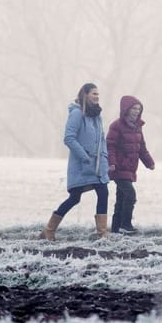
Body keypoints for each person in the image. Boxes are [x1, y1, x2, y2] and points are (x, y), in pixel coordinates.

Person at [42, 82, 111, 240]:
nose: (97, 96)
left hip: (97, 166)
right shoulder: (77, 113)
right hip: (82, 165)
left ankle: (102, 233)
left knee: (103, 191)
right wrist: (84, 156)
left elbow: (102, 140)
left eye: (98, 94)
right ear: (85, 94)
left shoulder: (97, 116)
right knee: (75, 198)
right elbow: (69, 138)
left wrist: (105, 159)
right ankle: (49, 229)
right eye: (94, 93)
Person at [107, 94, 155, 235]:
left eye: (138, 109)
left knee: (121, 198)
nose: (136, 111)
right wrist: (112, 163)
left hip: (130, 168)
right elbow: (110, 146)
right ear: (126, 109)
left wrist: (149, 162)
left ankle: (116, 228)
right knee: (130, 195)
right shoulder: (116, 126)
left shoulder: (137, 127)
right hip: (118, 167)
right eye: (134, 108)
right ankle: (126, 225)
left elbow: (142, 148)